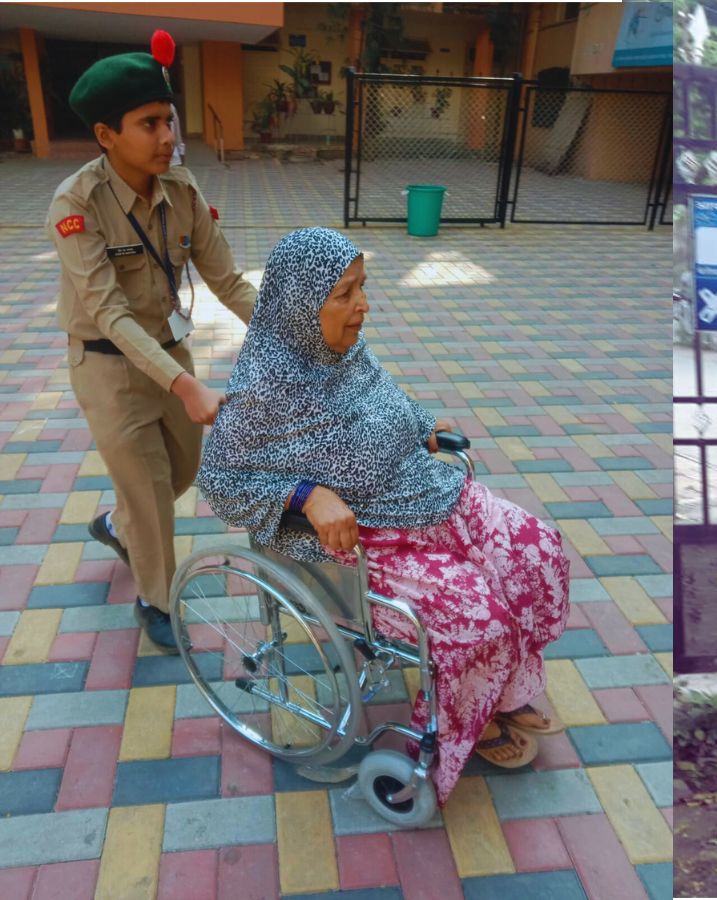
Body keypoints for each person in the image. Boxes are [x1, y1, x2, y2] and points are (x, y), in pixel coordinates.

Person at [196, 227, 571, 803]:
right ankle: (453, 720)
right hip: (367, 535)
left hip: (424, 493)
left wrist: (423, 427)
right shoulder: (261, 389)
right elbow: (219, 482)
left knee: (535, 549)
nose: (362, 306)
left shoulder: (346, 348)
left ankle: (500, 688)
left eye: (362, 288)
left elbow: (385, 398)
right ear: (302, 303)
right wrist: (304, 495)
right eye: (345, 294)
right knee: (479, 617)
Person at [48, 29, 257, 652]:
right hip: (107, 368)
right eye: (149, 124)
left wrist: (298, 327)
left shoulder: (183, 190)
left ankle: (119, 523)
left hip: (169, 352)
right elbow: (109, 313)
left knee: (181, 471)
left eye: (168, 120)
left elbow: (228, 280)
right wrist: (187, 384)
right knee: (150, 491)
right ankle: (155, 599)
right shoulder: (76, 205)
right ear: (106, 135)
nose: (168, 137)